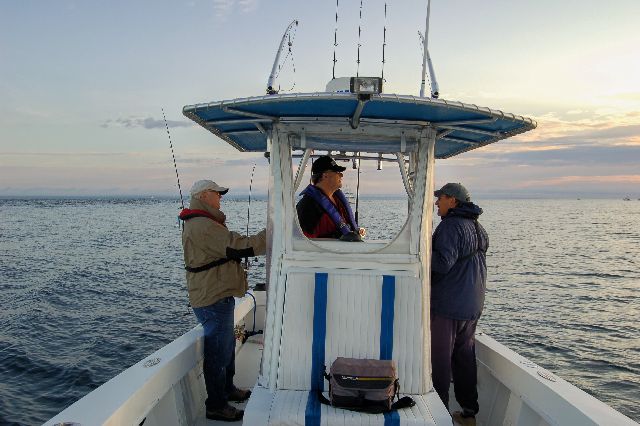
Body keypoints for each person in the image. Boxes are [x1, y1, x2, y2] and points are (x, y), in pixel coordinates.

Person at [179, 179, 266, 422]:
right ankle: (216, 405)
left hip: (215, 293)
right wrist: (269, 235)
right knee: (218, 353)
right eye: (217, 194)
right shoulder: (203, 226)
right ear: (204, 195)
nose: (220, 198)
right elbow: (236, 247)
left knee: (226, 347)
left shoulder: (202, 222)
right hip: (212, 296)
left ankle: (227, 389)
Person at [430, 183, 489, 426]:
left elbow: (442, 263)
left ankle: (438, 414)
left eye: (440, 198)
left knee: (440, 363)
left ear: (452, 201)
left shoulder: (451, 226)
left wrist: (420, 250)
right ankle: (468, 413)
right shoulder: (478, 227)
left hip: (449, 307)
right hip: (472, 306)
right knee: (464, 360)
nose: (436, 203)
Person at [296, 155, 364, 240]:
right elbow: (303, 242)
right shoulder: (307, 206)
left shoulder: (338, 200)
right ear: (325, 176)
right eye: (337, 172)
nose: (341, 175)